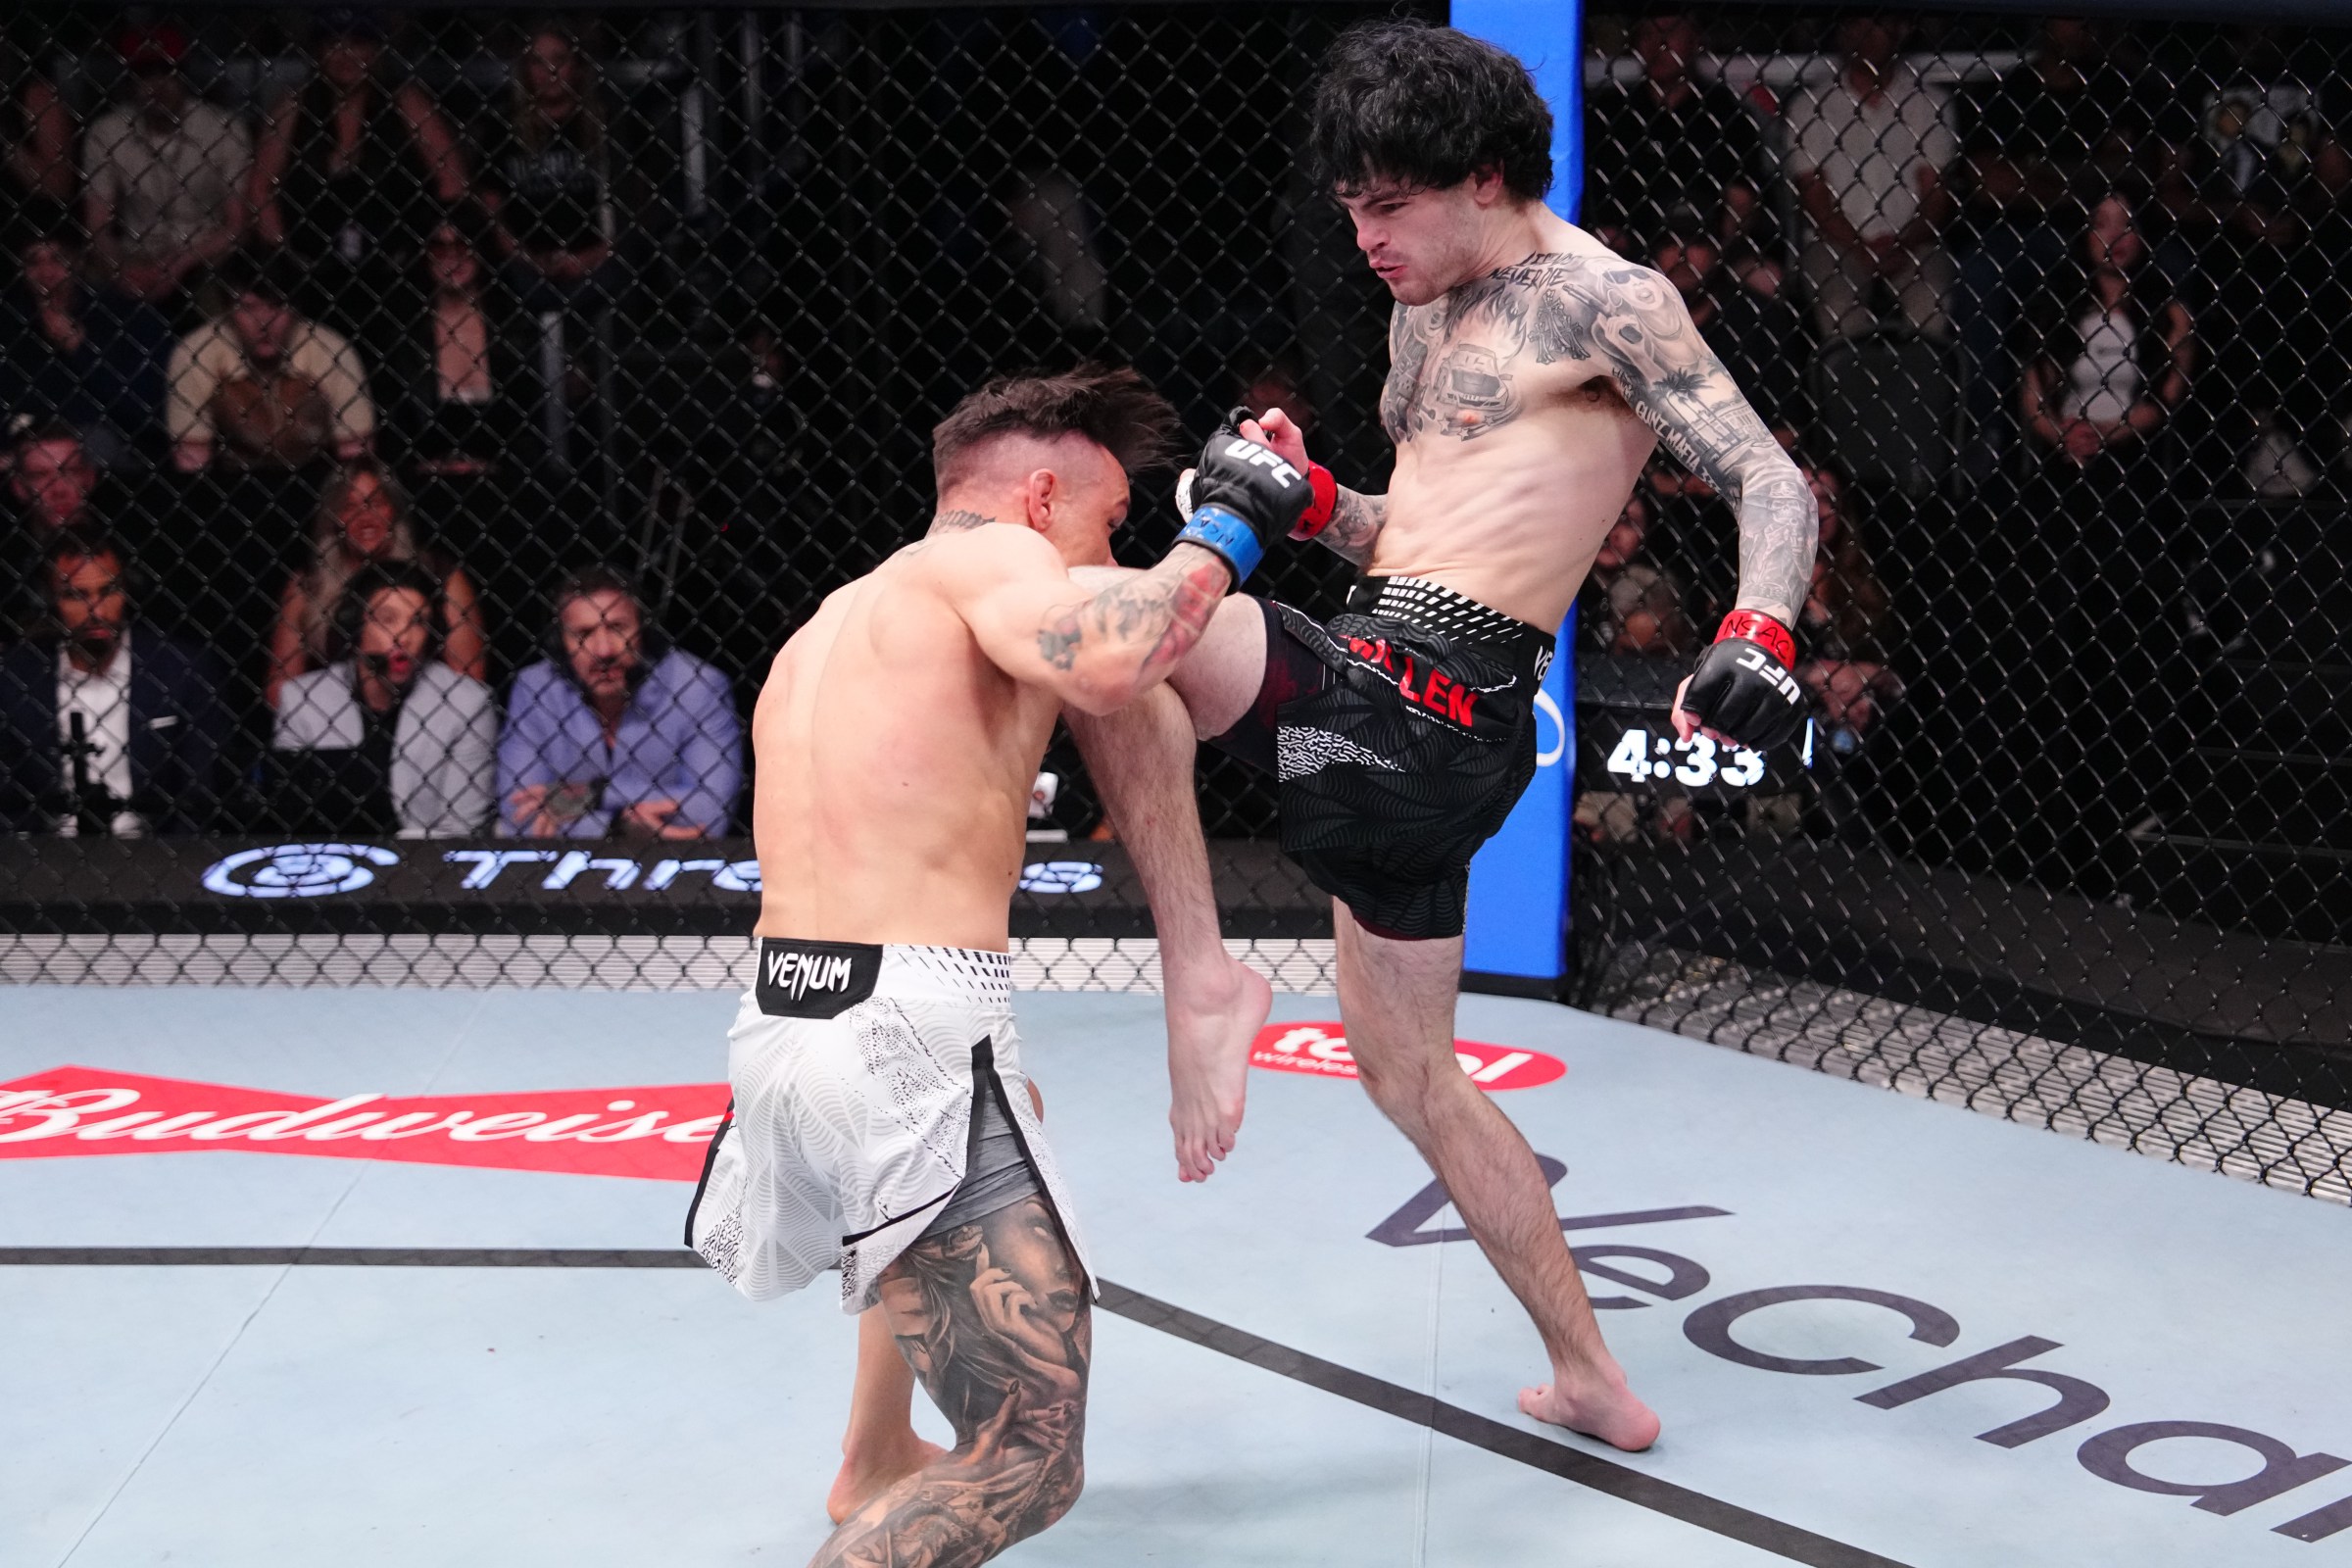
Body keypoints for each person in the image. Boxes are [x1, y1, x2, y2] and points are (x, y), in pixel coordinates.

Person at [1068, 21, 1820, 1453]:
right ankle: (1591, 1375)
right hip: (1388, 693)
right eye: (1350, 207)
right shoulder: (1421, 308)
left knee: (1111, 630)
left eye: (1391, 205)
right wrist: (1308, 500)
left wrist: (1760, 628)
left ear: (1484, 177)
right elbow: (1405, 539)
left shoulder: (1609, 303)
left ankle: (1201, 976)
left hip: (1435, 706)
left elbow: (1769, 481)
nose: (1366, 238)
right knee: (1409, 1076)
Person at [684, 366, 1298, 1564]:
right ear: (1039, 497)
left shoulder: (834, 621)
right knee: (1031, 1456)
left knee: (995, 1129)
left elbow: (1124, 696)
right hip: (903, 1028)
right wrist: (1229, 524)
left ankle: (873, 1453)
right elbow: (1109, 660)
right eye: (1106, 523)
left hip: (782, 1023)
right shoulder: (997, 560)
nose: (1109, 555)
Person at [247, 6, 467, 341]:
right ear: (318, 51)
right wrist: (286, 257)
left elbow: (452, 182)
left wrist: (427, 249)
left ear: (377, 49)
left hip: (396, 272)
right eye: (334, 44)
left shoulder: (407, 104)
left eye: (358, 43)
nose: (345, 55)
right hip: (313, 273)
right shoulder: (293, 107)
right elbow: (260, 189)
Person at [0, 524, 229, 834]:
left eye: (108, 591)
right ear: (50, 600)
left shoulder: (180, 669)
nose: (97, 611)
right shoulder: (16, 678)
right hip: (49, 848)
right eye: (76, 595)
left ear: (127, 590)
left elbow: (199, 794)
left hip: (157, 848)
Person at [496, 566, 741, 840]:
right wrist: (619, 827)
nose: (604, 650)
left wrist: (595, 794)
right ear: (559, 643)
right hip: (567, 863)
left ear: (644, 631)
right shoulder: (535, 688)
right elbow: (518, 815)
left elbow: (711, 813)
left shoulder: (699, 686)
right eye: (584, 634)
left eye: (617, 628)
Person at [272, 560, 496, 837]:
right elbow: (289, 816)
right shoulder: (302, 699)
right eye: (387, 619)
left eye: (418, 622)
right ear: (355, 625)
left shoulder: (467, 704)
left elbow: (462, 827)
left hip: (426, 858)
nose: (403, 637)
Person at [1782, 14, 1957, 341]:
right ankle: (1851, 375)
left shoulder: (1930, 101)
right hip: (1834, 241)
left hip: (1914, 240)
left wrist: (1903, 244)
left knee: (1931, 302)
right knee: (1837, 306)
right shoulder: (1809, 105)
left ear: (1899, 29)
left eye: (1876, 23)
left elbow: (1935, 194)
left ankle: (1919, 374)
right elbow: (1814, 197)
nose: (1865, 34)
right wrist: (1859, 246)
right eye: (1855, 23)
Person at [267, 459, 486, 709]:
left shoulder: (439, 574)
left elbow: (471, 677)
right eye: (350, 506)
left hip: (430, 715)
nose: (366, 517)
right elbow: (279, 689)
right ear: (334, 518)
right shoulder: (308, 584)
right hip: (333, 717)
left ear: (394, 509)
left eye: (377, 503)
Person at [1583, 14, 1779, 289]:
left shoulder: (1725, 112)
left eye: (1670, 33)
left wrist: (1718, 246)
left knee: (1765, 278)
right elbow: (1592, 194)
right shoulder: (1610, 113)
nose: (1659, 44)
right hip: (1629, 245)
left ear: (1695, 40)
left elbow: (1743, 198)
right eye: (1647, 35)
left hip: (1707, 242)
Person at [79, 24, 251, 310]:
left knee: (224, 287)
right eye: (145, 75)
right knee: (92, 283)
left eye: (166, 72)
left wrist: (181, 262)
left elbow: (237, 224)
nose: (157, 85)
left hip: (206, 253)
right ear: (130, 81)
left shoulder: (223, 128)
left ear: (183, 74)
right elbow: (97, 226)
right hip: (136, 253)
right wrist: (121, 269)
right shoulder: (107, 132)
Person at [165, 248, 376, 472]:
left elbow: (357, 458)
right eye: (248, 307)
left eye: (278, 305)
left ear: (296, 309)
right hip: (229, 481)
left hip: (319, 479)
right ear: (227, 309)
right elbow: (191, 463)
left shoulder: (332, 350)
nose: (264, 322)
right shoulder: (196, 352)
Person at [0, 206, 174, 464]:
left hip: (106, 442)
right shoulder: (11, 321)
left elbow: (146, 411)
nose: (47, 273)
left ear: (78, 262)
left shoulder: (124, 316)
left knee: (94, 443)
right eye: (34, 262)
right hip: (27, 441)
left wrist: (80, 347)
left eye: (58, 260)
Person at [3, 422, 105, 642]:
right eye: (40, 475)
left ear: (89, 478)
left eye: (70, 472)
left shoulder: (127, 542)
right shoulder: (8, 559)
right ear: (19, 488)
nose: (58, 489)